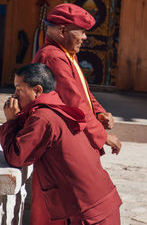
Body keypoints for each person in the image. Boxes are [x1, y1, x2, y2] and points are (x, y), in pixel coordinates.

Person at [31, 3, 121, 224]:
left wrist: (99, 113)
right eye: (80, 31)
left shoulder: (66, 54)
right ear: (62, 31)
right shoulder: (52, 56)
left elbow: (84, 92)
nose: (84, 38)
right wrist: (103, 136)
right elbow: (75, 102)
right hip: (61, 143)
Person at [0, 63, 122, 224]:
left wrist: (10, 122)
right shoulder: (55, 108)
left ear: (37, 90)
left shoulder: (43, 117)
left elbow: (17, 156)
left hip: (88, 213)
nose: (14, 96)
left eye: (19, 89)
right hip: (100, 203)